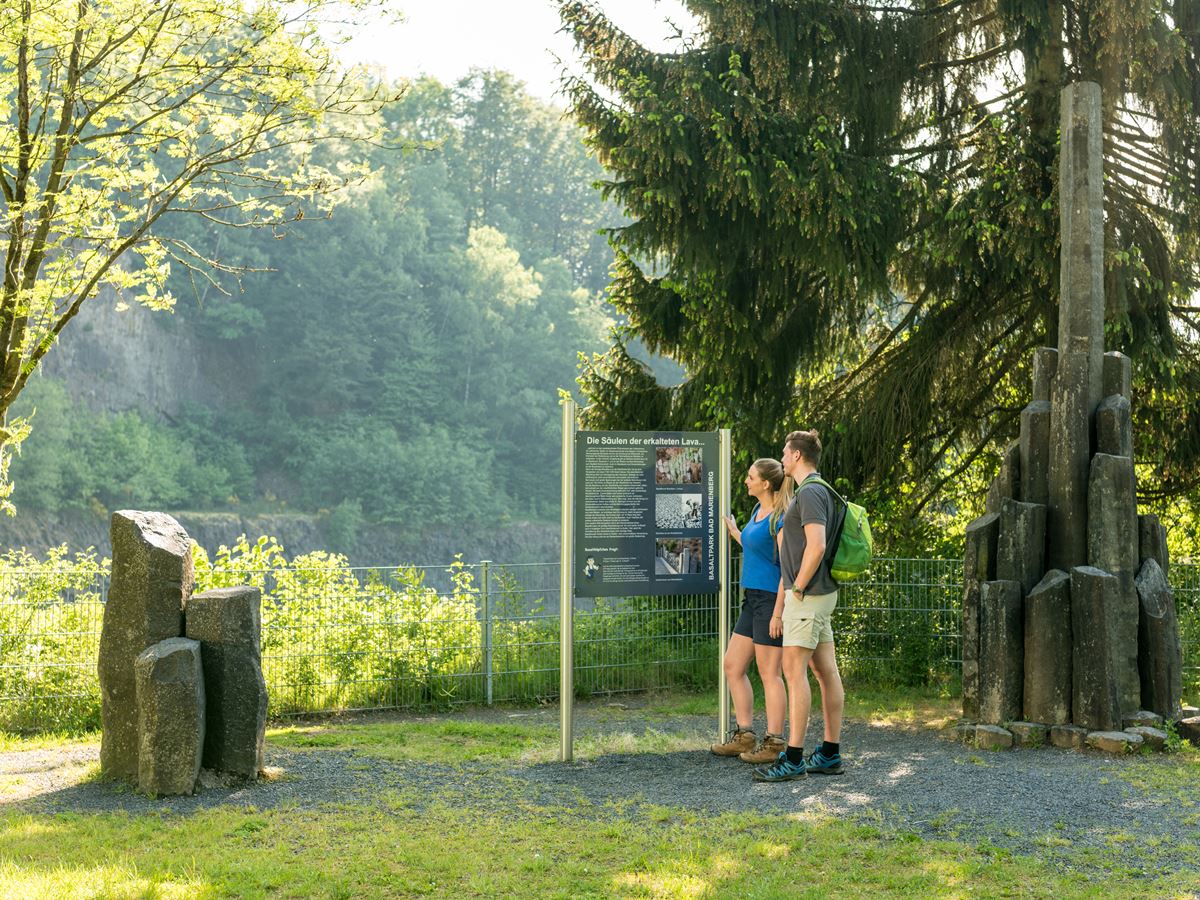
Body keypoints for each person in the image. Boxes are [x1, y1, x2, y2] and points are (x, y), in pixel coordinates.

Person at [752, 429, 846, 782]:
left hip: (807, 597)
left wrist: (798, 588)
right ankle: (829, 754)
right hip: (820, 596)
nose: (781, 458)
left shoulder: (810, 493)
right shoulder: (819, 490)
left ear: (796, 456)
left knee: (794, 673)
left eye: (784, 453)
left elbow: (816, 546)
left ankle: (793, 758)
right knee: (825, 672)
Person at [710, 458, 791, 764]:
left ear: (766, 483)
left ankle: (775, 742)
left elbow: (788, 568)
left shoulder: (780, 518)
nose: (746, 481)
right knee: (732, 665)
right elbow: (755, 547)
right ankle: (745, 736)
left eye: (750, 477)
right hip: (752, 598)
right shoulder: (758, 511)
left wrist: (778, 613)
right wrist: (735, 533)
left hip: (771, 601)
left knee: (770, 673)